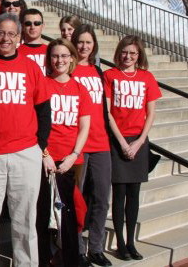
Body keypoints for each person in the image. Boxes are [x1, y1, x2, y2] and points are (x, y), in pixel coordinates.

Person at [0, 12, 51, 267]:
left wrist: (39, 146)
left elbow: (44, 109)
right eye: (1, 33)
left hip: (25, 152)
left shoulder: (30, 67)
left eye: (11, 34)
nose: (5, 38)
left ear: (19, 38)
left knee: (25, 218)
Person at [105, 36, 161, 261]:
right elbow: (107, 113)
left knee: (134, 195)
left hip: (139, 142)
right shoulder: (110, 76)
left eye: (133, 53)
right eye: (124, 52)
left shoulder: (147, 78)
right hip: (118, 140)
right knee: (118, 195)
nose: (128, 57)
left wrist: (139, 142)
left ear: (139, 56)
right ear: (119, 53)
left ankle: (131, 242)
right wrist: (121, 141)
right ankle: (120, 243)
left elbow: (151, 113)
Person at [37, 38, 91, 267]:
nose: (59, 60)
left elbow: (84, 126)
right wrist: (45, 154)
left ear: (71, 59)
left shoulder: (80, 88)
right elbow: (35, 123)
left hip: (70, 161)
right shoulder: (41, 84)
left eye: (64, 56)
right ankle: (44, 258)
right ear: (49, 59)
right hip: (45, 158)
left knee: (70, 213)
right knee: (43, 213)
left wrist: (74, 155)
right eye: (55, 56)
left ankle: (68, 258)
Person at [71, 24, 113, 267]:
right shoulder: (70, 70)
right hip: (77, 144)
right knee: (76, 200)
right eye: (80, 42)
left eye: (88, 42)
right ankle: (75, 248)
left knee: (101, 198)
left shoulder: (99, 72)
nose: (84, 46)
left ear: (94, 45)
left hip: (101, 143)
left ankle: (95, 248)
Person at [19, 9, 47, 74]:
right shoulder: (15, 52)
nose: (32, 27)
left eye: (37, 23)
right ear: (22, 26)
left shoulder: (51, 50)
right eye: (28, 24)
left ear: (43, 26)